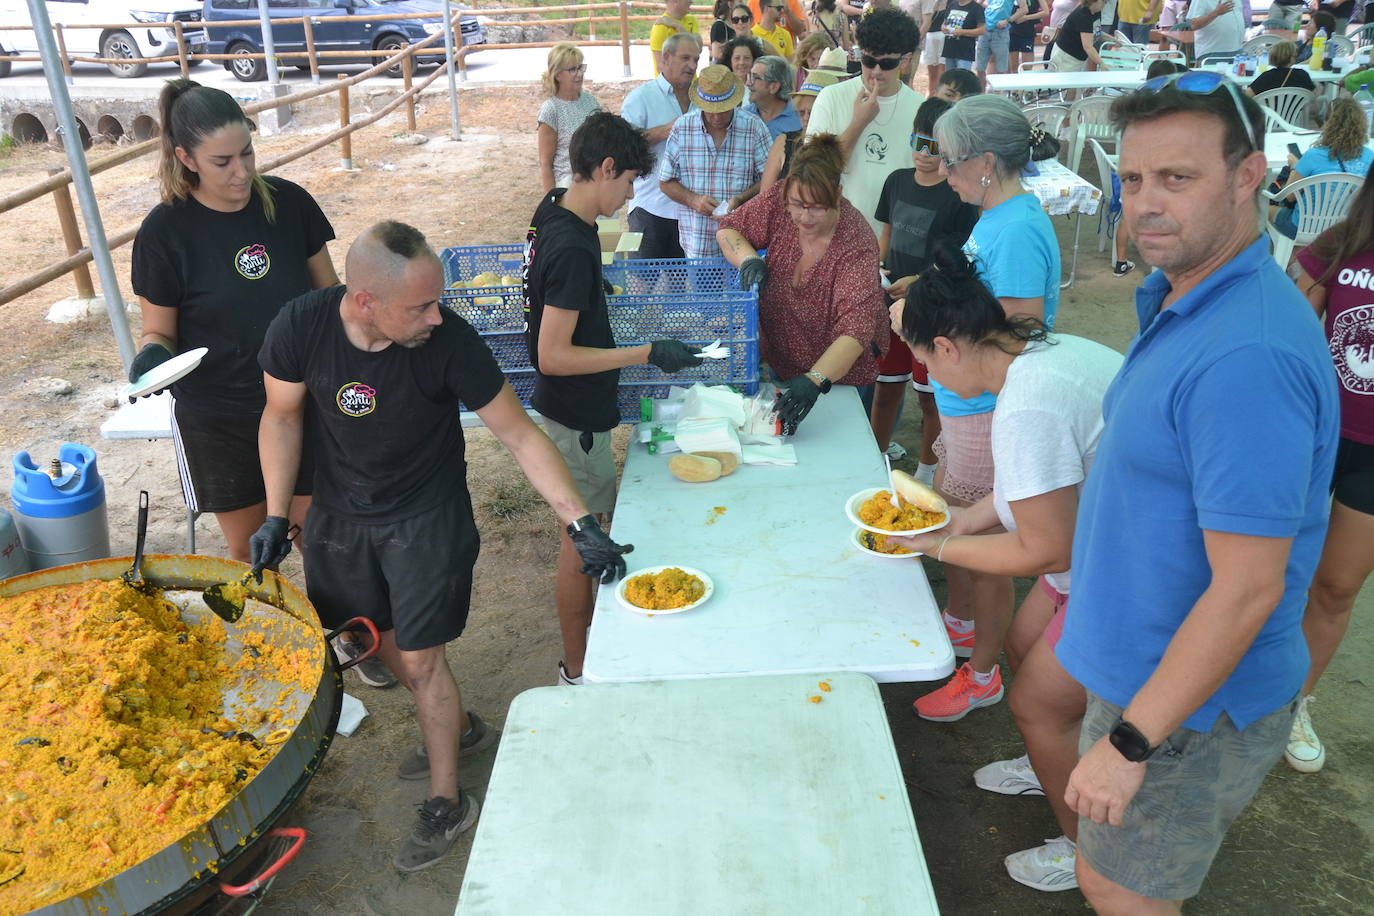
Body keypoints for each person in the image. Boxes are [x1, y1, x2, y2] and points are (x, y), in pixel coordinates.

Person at [253, 221, 635, 871]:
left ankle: (447, 802)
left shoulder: (448, 341)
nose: (437, 315)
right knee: (368, 639)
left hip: (426, 516)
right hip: (342, 514)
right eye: (421, 306)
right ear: (365, 300)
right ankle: (460, 730)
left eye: (438, 300)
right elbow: (282, 416)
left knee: (425, 662)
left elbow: (519, 434)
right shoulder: (301, 327)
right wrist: (272, 514)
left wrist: (579, 523)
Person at [1056, 70, 1338, 911]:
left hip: (1188, 707)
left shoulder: (1246, 353)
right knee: (1112, 873)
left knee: (1122, 889)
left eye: (1177, 179)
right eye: (1133, 178)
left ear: (1249, 175)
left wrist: (1134, 742)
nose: (1144, 202)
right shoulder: (1185, 293)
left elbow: (1250, 584)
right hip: (1152, 673)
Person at [889, 248, 1123, 895]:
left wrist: (935, 547)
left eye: (925, 359)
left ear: (947, 346)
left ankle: (1084, 852)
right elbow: (1040, 482)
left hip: (1124, 566)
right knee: (1021, 643)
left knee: (1034, 704)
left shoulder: (1025, 405)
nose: (925, 373)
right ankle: (1053, 760)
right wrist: (963, 522)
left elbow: (1045, 550)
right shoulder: (1038, 357)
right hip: (1103, 536)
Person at [128, 80, 372, 680]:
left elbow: (330, 296)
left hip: (300, 400)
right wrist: (150, 360)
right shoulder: (165, 233)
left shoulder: (287, 205)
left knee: (319, 534)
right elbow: (158, 332)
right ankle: (277, 654)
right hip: (217, 413)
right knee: (248, 550)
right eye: (222, 162)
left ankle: (340, 642)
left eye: (247, 155)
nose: (241, 173)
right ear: (184, 159)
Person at [525, 113, 704, 686]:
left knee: (587, 533)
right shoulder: (575, 248)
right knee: (583, 540)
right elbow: (553, 354)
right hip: (572, 411)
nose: (630, 195)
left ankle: (585, 653)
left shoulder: (553, 206)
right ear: (604, 170)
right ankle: (578, 669)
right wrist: (644, 351)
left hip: (571, 408)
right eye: (628, 182)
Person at [914, 93, 1061, 722]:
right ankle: (964, 628)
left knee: (990, 546)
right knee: (963, 523)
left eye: (948, 160)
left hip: (983, 407)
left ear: (987, 161)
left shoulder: (1020, 227)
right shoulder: (995, 216)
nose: (941, 171)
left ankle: (982, 674)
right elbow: (981, 303)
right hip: (963, 399)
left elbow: (1020, 328)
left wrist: (932, 320)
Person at [1286, 171, 1374, 775]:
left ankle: (1293, 704)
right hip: (1314, 436)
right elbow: (1286, 332)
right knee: (1266, 571)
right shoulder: (1342, 245)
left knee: (1337, 585)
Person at [716, 134, 890, 433]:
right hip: (780, 359)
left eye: (817, 207)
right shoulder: (780, 198)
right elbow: (730, 228)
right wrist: (749, 259)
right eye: (797, 205)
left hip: (837, 377)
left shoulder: (857, 243)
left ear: (838, 194)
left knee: (833, 449)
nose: (804, 216)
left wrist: (816, 379)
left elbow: (855, 331)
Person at [871, 98, 979, 484]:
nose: (923, 154)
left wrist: (918, 282)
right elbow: (886, 232)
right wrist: (877, 268)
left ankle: (927, 470)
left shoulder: (957, 197)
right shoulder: (896, 181)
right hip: (889, 306)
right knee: (885, 388)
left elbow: (961, 256)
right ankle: (874, 459)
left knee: (928, 397)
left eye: (934, 147)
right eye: (918, 142)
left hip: (931, 309)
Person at [806, 7, 924, 239]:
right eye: (869, 61)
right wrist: (858, 123)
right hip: (836, 239)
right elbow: (813, 172)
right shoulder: (831, 97)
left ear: (906, 60)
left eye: (887, 64)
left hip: (894, 241)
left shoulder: (920, 109)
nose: (876, 72)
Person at [659, 65, 774, 257]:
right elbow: (665, 182)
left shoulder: (753, 127)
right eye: (710, 110)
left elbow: (770, 179)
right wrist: (693, 200)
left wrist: (741, 199)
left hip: (743, 245)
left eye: (723, 110)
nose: (716, 116)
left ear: (734, 103)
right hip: (698, 245)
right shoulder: (683, 127)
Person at [620, 32, 701, 260]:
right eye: (685, 58)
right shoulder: (640, 98)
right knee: (641, 284)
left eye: (696, 59)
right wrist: (666, 130)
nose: (692, 65)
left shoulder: (702, 100)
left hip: (689, 209)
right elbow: (623, 146)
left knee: (677, 284)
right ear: (665, 58)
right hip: (649, 207)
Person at [1272, 98, 1374, 240]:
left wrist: (1296, 166)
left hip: (1304, 227)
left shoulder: (1313, 156)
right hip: (1347, 228)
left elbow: (1289, 196)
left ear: (1328, 125)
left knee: (1268, 209)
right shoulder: (1369, 157)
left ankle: (1284, 254)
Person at [761, 67, 850, 192]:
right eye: (801, 112)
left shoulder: (843, 143)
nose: (806, 118)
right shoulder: (784, 142)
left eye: (813, 112)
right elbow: (764, 196)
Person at [537, 44, 601, 193]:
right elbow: (545, 162)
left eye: (581, 68)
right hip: (567, 187)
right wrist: (552, 201)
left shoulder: (591, 102)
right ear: (558, 74)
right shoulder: (551, 109)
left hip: (596, 183)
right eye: (573, 69)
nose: (579, 74)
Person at [744, 55, 803, 139]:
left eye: (755, 78)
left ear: (774, 87)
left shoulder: (800, 118)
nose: (748, 83)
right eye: (749, 76)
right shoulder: (742, 116)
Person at [1051, 0, 1105, 73]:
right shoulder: (1083, 15)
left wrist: (1113, 40)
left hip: (1078, 56)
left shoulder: (1096, 12)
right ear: (1093, 1)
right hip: (1066, 56)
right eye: (1104, 2)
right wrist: (1101, 64)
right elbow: (1088, 47)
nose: (1105, 4)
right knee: (1066, 83)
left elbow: (1097, 32)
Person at [649, 0, 699, 76]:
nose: (691, 1)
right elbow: (660, 66)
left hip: (691, 84)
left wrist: (677, 26)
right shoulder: (661, 27)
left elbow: (698, 49)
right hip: (671, 86)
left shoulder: (691, 20)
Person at [1248, 40, 1315, 94]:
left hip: (1269, 110)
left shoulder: (1267, 76)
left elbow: (1248, 95)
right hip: (1295, 110)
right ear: (1292, 58)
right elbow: (1313, 95)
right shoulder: (1302, 75)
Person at [976, 0, 1015, 87]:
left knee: (1001, 68)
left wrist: (1007, 20)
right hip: (985, 29)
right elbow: (980, 3)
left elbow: (1024, 9)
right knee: (979, 67)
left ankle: (999, 94)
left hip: (1000, 32)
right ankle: (981, 94)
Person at [941, 0, 986, 70]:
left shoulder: (976, 7)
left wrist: (963, 32)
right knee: (949, 78)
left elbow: (982, 30)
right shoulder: (952, 4)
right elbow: (944, 23)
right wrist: (943, 28)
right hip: (949, 50)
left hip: (965, 52)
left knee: (962, 78)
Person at [1008, 0, 1049, 72]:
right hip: (1012, 31)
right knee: (1013, 67)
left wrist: (1026, 17)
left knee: (1027, 67)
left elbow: (1046, 12)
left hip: (1027, 33)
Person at [920, 0, 949, 92]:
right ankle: (931, 92)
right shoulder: (928, 2)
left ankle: (940, 93)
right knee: (931, 67)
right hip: (929, 35)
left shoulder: (952, 3)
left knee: (942, 67)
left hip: (944, 36)